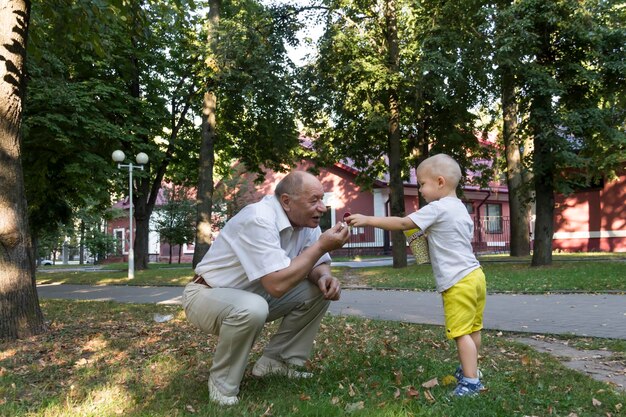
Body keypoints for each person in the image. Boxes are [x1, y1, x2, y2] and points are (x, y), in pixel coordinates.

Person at [182, 171, 350, 406]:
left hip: (253, 294)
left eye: (322, 199)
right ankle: (222, 386)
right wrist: (322, 246)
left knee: (317, 291)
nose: (322, 207)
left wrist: (325, 277)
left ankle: (275, 363)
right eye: (314, 200)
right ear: (286, 202)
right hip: (206, 294)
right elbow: (277, 284)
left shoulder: (305, 221)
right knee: (252, 308)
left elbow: (316, 263)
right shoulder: (259, 218)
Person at [346, 153, 486, 397]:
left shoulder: (437, 208)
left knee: (460, 333)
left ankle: (471, 382)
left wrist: (368, 219)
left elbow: (402, 224)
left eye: (422, 183)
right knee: (474, 328)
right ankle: (471, 369)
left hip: (457, 281)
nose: (420, 189)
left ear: (440, 182)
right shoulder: (460, 208)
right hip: (475, 276)